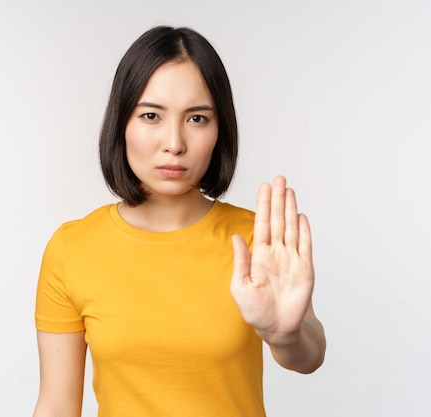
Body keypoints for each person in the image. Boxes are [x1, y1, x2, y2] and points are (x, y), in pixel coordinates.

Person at [33, 25, 326, 417]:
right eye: (151, 115)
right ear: (122, 122)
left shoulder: (256, 240)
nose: (174, 142)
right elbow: (56, 406)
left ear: (220, 129)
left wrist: (284, 335)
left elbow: (309, 356)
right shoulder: (72, 249)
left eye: (197, 119)